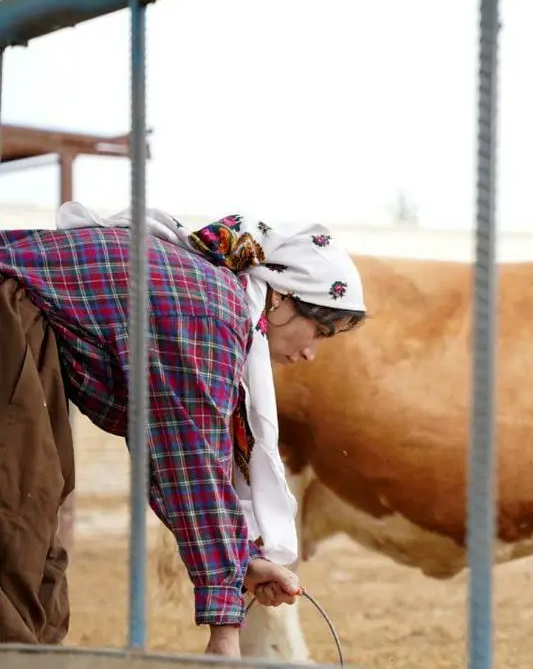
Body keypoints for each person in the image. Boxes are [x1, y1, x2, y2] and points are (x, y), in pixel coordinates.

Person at [0, 201, 367, 657]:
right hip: (8, 317)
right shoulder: (208, 309)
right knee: (13, 527)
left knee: (31, 539)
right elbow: (191, 464)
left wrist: (241, 562)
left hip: (23, 328)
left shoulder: (209, 297)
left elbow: (180, 455)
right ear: (280, 298)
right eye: (320, 331)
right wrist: (224, 631)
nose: (312, 352)